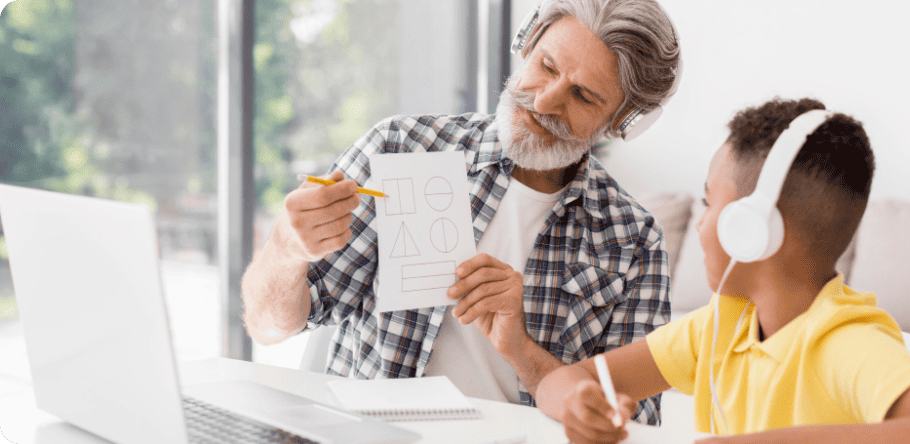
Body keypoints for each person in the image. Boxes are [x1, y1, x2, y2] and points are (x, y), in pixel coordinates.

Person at [240, 0, 679, 425]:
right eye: (546, 66)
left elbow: (627, 427)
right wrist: (285, 249)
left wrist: (520, 347)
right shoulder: (401, 147)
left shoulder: (633, 241)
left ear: (620, 121)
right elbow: (268, 327)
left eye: (582, 95)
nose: (545, 102)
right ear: (526, 43)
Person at [535, 97, 910, 443]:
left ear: (754, 229)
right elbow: (561, 382)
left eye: (709, 202)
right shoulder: (720, 327)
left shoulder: (844, 342)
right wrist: (579, 403)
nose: (701, 223)